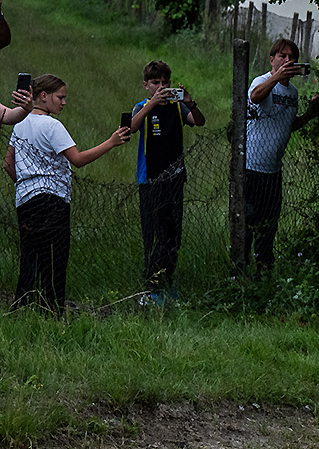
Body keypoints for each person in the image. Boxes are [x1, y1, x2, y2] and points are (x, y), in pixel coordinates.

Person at [8, 74, 131, 310]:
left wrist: (26, 183)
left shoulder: (20, 123)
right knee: (54, 259)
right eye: (60, 97)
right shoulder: (53, 125)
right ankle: (52, 310)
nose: (64, 102)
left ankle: (22, 307)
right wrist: (111, 142)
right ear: (44, 96)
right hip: (52, 201)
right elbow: (78, 159)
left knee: (30, 256)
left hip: (25, 200)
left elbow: (8, 163)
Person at [130, 60, 206, 303]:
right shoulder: (142, 107)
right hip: (150, 179)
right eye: (156, 83)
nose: (161, 87)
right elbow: (131, 128)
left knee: (173, 233)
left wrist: (189, 102)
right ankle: (151, 285)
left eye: (165, 82)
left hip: (174, 178)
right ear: (146, 85)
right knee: (154, 233)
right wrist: (152, 104)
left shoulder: (177, 107)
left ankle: (167, 281)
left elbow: (199, 121)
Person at [245, 37, 319, 272]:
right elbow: (255, 97)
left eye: (292, 57)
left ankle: (263, 271)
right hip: (250, 167)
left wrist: (309, 114)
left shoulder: (293, 93)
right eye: (282, 56)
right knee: (247, 221)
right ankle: (239, 269)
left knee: (268, 224)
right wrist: (276, 77)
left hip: (273, 170)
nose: (288, 60)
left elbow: (288, 125)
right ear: (272, 59)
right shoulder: (262, 81)